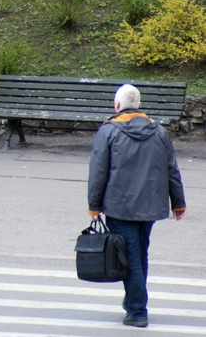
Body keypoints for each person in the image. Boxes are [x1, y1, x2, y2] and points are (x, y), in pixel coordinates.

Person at [87, 83, 186, 328]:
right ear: (139, 104)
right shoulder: (158, 131)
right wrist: (178, 202)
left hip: (120, 206)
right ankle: (132, 301)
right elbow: (171, 168)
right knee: (139, 254)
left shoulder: (108, 131)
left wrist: (94, 206)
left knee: (129, 258)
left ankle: (137, 311)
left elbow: (98, 171)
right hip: (150, 205)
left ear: (117, 105)